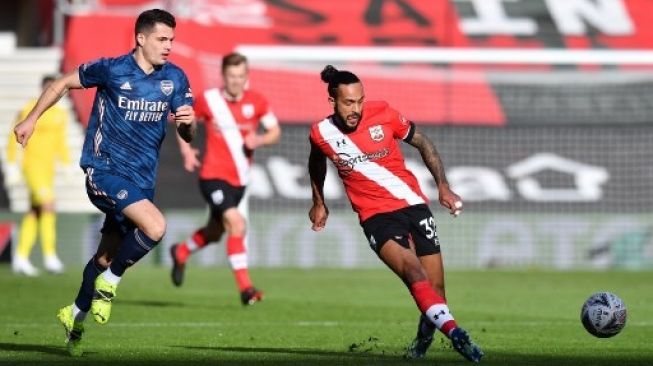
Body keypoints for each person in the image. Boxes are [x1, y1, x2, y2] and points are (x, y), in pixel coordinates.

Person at [13, 9, 195, 357]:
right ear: (141, 38)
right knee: (155, 227)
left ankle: (75, 316)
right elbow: (61, 83)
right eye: (162, 39)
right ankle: (110, 284)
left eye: (172, 39)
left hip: (142, 179)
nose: (169, 46)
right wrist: (32, 119)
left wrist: (187, 124)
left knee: (105, 256)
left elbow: (188, 132)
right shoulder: (111, 69)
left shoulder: (175, 77)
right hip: (104, 170)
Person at [307, 65, 483, 362]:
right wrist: (318, 202)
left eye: (360, 101)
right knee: (413, 272)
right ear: (332, 102)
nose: (356, 109)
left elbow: (423, 142)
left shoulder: (384, 113)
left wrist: (443, 186)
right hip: (377, 218)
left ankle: (420, 348)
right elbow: (316, 164)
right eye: (349, 102)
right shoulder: (321, 133)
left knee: (436, 290)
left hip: (414, 205)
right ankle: (456, 334)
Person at [170, 52, 280, 305]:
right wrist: (187, 150)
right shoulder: (209, 100)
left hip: (240, 182)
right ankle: (246, 289)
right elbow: (183, 120)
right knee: (237, 224)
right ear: (223, 76)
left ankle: (182, 251)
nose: (236, 81)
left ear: (246, 76)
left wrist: (260, 139)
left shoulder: (258, 101)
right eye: (231, 76)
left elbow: (275, 131)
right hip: (213, 177)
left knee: (216, 232)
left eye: (241, 76)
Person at [7, 75, 71, 276]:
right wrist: (11, 163)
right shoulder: (29, 109)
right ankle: (50, 256)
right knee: (48, 206)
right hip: (32, 167)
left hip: (48, 169)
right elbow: (13, 135)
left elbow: (61, 141)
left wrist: (67, 163)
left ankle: (21, 257)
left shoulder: (61, 114)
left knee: (35, 211)